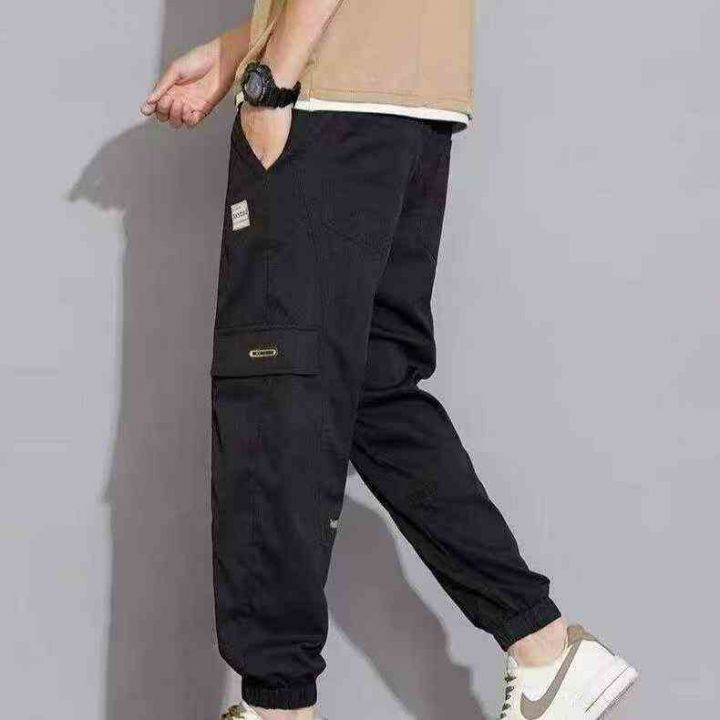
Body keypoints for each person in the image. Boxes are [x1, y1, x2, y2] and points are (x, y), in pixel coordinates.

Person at [141, 2, 638, 718]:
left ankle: (279, 707)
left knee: (276, 394)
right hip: (411, 105)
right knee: (375, 389)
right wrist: (239, 51)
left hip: (325, 100)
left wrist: (270, 80)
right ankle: (545, 650)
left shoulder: (297, 87)